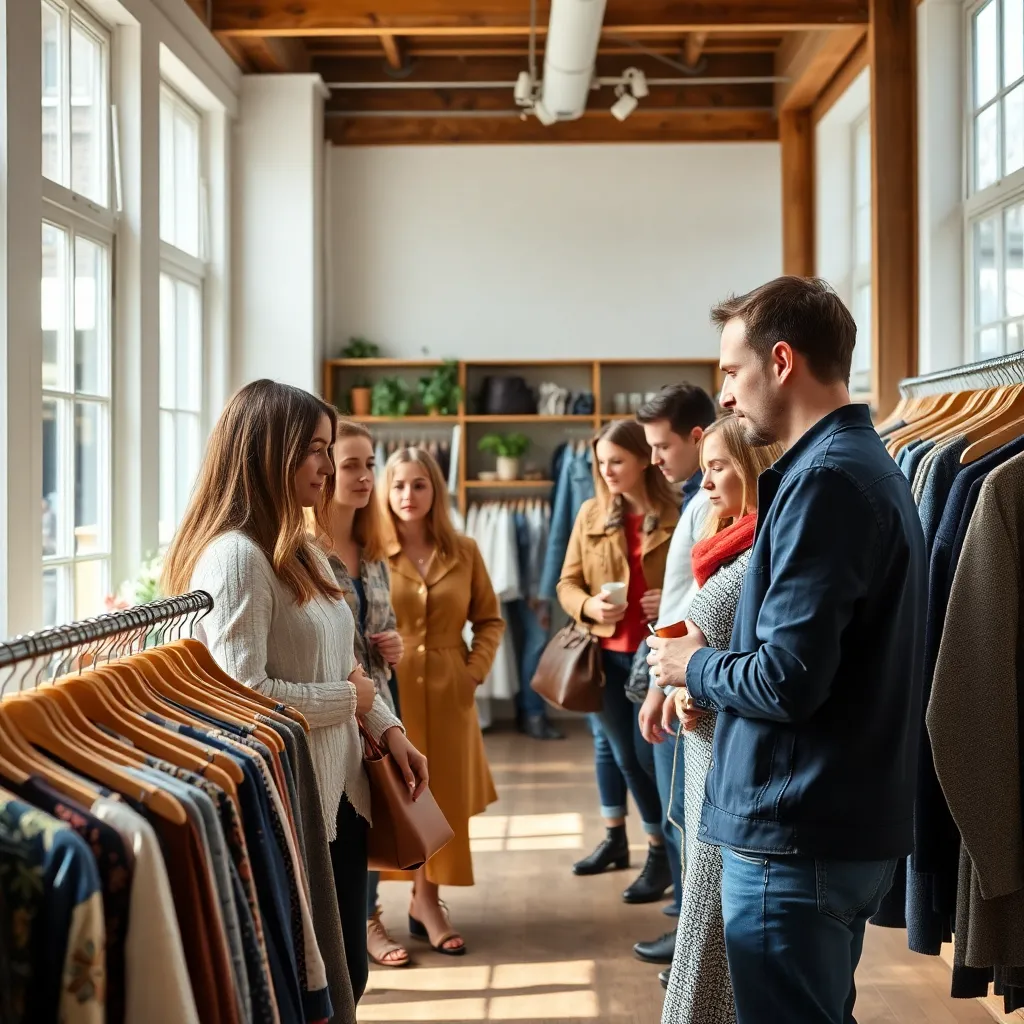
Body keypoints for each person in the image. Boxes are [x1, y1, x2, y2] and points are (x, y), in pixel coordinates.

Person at [647, 277, 927, 1024]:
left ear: (780, 361)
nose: (727, 399)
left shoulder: (826, 482)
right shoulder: (854, 466)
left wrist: (690, 667)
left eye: (731, 375)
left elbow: (787, 678)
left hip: (796, 831)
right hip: (826, 824)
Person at [162, 379, 429, 1007]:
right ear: (267, 452)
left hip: (340, 793)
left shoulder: (300, 548)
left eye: (328, 446)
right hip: (294, 800)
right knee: (324, 988)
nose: (328, 464)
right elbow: (242, 694)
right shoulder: (237, 559)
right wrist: (352, 705)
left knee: (346, 980)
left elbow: (348, 664)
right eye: (314, 448)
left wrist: (391, 731)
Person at [661, 414, 782, 1024]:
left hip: (729, 773)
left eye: (719, 468)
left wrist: (689, 678)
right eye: (704, 467)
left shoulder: (756, 549)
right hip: (715, 755)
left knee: (710, 933)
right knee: (706, 926)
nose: (705, 483)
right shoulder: (731, 540)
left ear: (755, 469)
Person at [380, 446, 505, 956]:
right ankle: (372, 915)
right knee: (387, 798)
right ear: (386, 493)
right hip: (390, 695)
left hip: (451, 695)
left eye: (419, 484)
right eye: (399, 485)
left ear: (435, 490)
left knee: (440, 800)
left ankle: (425, 901)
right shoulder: (369, 553)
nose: (409, 495)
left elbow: (491, 620)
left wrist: (472, 673)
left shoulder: (465, 550)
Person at [557, 419, 679, 903]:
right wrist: (590, 606)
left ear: (643, 459)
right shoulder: (591, 513)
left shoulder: (679, 510)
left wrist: (667, 598)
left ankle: (669, 851)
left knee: (651, 756)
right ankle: (656, 850)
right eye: (600, 462)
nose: (606, 470)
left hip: (656, 656)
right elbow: (567, 583)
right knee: (627, 755)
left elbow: (699, 580)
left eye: (616, 461)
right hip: (604, 656)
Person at [314, 418, 410, 969]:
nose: (363, 475)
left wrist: (394, 644)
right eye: (351, 464)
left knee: (374, 820)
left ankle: (368, 916)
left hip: (376, 708)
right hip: (333, 714)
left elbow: (383, 622)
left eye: (369, 464)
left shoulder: (372, 547)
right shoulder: (306, 553)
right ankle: (365, 922)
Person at [631, 383, 716, 972]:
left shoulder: (708, 499)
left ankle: (691, 947)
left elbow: (702, 603)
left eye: (662, 446)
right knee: (675, 811)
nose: (654, 460)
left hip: (682, 677)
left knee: (682, 815)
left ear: (695, 436)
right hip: (672, 671)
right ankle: (687, 938)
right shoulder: (695, 498)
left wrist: (664, 685)